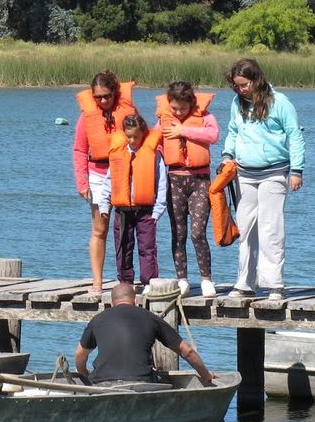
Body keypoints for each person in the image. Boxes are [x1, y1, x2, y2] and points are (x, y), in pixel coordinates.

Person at [220, 58, 304, 300]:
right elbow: (233, 131)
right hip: (244, 173)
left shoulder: (280, 102)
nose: (240, 89)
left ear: (256, 80)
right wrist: (227, 155)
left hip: (274, 172)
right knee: (246, 228)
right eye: (236, 86)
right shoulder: (237, 103)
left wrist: (297, 170)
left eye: (244, 84)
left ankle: (275, 284)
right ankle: (245, 282)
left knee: (271, 228)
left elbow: (295, 136)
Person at [73, 70, 138, 294]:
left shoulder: (128, 112)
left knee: (126, 229)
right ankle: (97, 281)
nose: (102, 101)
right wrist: (82, 182)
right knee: (99, 229)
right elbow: (80, 149)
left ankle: (126, 281)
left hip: (123, 172)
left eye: (106, 96)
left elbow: (142, 139)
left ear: (115, 93)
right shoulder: (87, 117)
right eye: (98, 97)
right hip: (97, 176)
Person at [75, 283, 215, 385]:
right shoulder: (150, 318)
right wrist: (206, 375)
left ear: (111, 304)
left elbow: (80, 354)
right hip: (141, 383)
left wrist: (83, 373)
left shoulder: (98, 319)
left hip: (102, 382)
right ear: (136, 301)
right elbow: (187, 351)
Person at [156, 81, 220, 298]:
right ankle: (182, 279)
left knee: (198, 232)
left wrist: (183, 130)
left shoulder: (205, 117)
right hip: (174, 181)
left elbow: (213, 136)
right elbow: (153, 142)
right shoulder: (163, 120)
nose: (178, 112)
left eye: (183, 108)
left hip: (199, 181)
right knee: (179, 233)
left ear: (191, 103)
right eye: (174, 108)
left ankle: (206, 280)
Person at [95, 114, 167, 293]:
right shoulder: (118, 155)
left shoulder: (154, 155)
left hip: (146, 211)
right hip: (122, 211)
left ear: (143, 134)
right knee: (123, 247)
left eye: (136, 136)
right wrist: (104, 206)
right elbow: (108, 182)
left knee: (147, 247)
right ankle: (125, 281)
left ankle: (148, 281)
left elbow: (162, 183)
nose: (132, 140)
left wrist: (158, 211)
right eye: (129, 136)